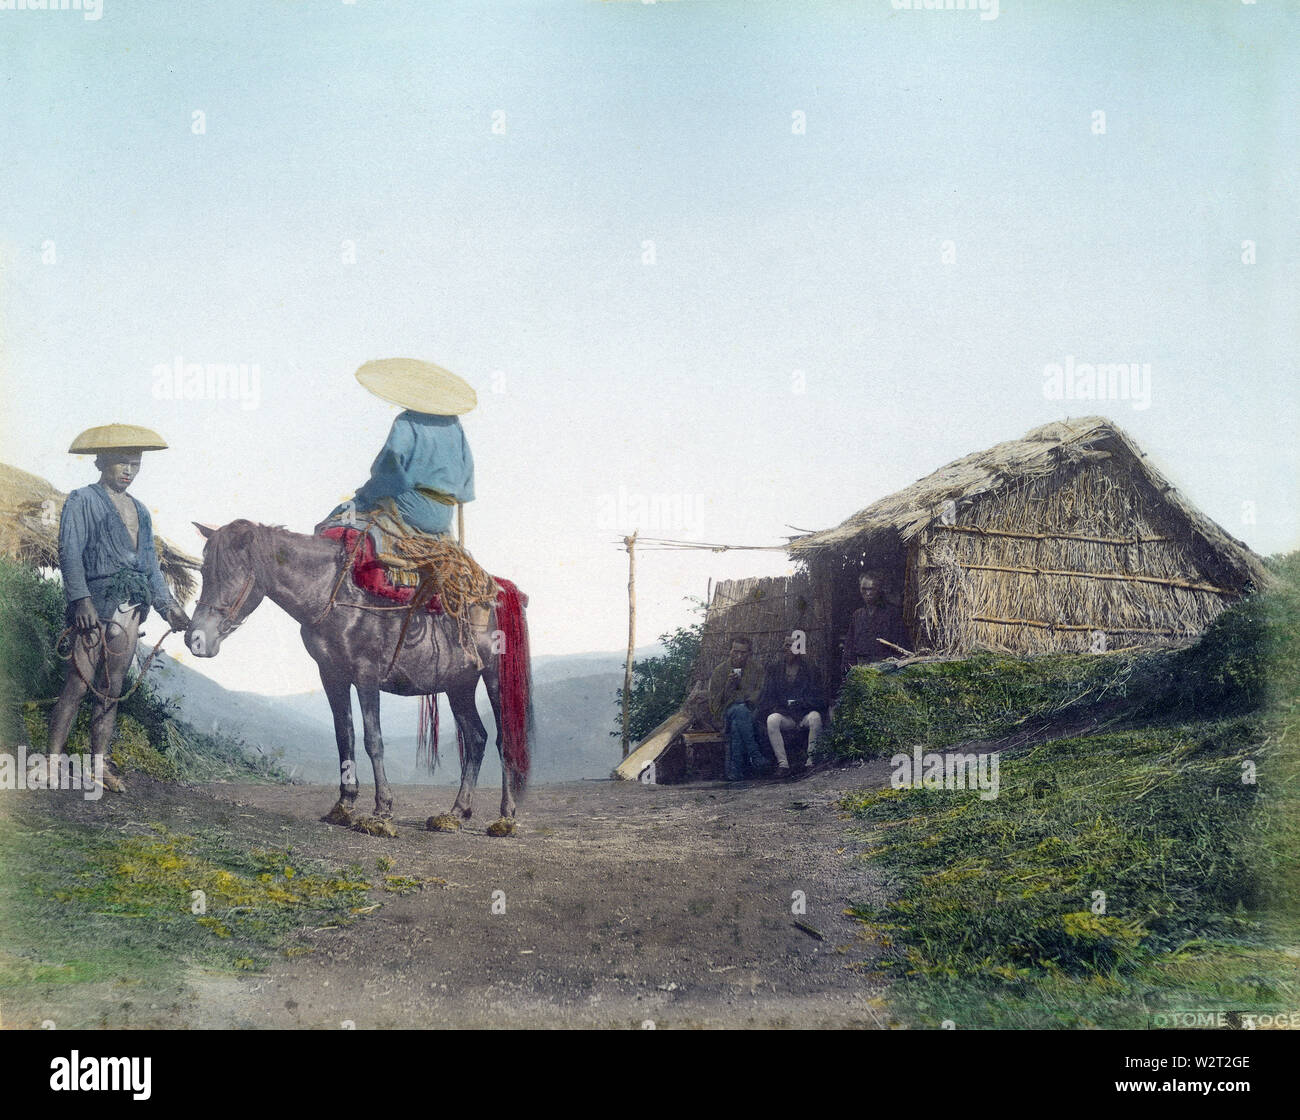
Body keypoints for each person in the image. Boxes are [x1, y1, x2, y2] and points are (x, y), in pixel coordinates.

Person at [47, 425, 191, 792]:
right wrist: (80, 600)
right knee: (78, 685)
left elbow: (150, 567)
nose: (128, 471)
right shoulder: (82, 500)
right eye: (122, 464)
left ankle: (98, 766)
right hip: (93, 606)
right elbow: (70, 553)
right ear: (102, 463)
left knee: (111, 689)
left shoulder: (141, 511)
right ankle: (50, 762)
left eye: (135, 464)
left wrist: (169, 607)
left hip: (130, 609)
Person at [318, 358, 477, 543]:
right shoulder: (454, 424)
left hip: (412, 509)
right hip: (443, 515)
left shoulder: (406, 421)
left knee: (342, 514)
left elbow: (388, 468)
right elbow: (467, 474)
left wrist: (365, 493)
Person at [761, 635, 827, 776]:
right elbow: (768, 696)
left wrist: (801, 704)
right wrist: (783, 707)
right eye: (786, 645)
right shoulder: (774, 669)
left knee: (815, 718)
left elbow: (819, 698)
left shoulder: (811, 670)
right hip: (786, 715)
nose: (789, 649)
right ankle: (783, 764)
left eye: (793, 646)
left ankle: (811, 762)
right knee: (772, 720)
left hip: (804, 714)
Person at [708, 636, 767, 781]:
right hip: (724, 716)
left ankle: (736, 772)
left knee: (738, 721)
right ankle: (755, 755)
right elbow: (714, 705)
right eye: (735, 651)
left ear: (749, 653)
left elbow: (760, 693)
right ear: (730, 651)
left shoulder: (757, 669)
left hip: (751, 713)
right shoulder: (720, 671)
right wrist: (728, 687)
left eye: (743, 652)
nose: (739, 656)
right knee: (739, 712)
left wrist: (744, 699)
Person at [840, 571, 909, 675]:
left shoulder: (892, 614)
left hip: (884, 670)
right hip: (860, 669)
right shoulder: (857, 615)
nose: (868, 593)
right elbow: (849, 648)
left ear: (879, 590)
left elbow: (902, 645)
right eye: (864, 589)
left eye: (871, 589)